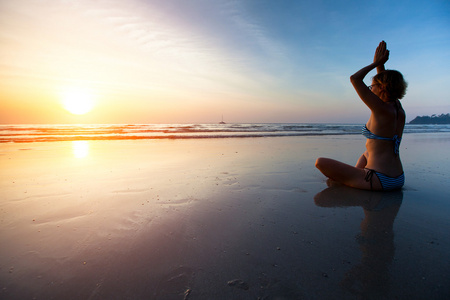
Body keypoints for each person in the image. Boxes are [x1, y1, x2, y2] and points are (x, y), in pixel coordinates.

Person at [315, 41, 407, 191]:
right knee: (366, 153)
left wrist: (376, 62)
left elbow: (355, 79)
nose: (370, 90)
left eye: (372, 86)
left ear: (382, 88)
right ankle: (354, 177)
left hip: (378, 179)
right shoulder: (398, 108)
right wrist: (380, 66)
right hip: (398, 178)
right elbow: (383, 82)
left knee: (320, 162)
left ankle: (352, 181)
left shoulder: (380, 108)